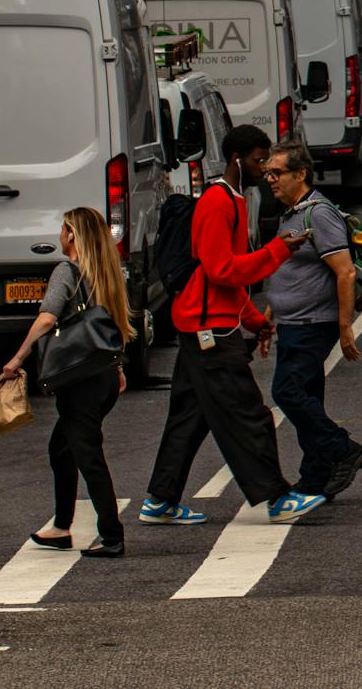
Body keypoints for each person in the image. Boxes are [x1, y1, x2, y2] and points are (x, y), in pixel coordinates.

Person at [141, 125, 326, 527]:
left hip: (205, 323)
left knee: (191, 415)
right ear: (236, 159)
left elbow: (228, 276)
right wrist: (278, 251)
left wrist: (255, 320)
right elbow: (221, 269)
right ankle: (275, 497)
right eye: (260, 161)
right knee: (248, 413)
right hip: (210, 328)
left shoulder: (234, 200)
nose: (266, 171)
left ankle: (161, 499)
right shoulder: (218, 202)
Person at [0, 207, 135, 557]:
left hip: (80, 379)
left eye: (63, 229)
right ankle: (61, 526)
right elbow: (112, 325)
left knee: (88, 455)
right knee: (62, 448)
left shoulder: (66, 271)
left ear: (72, 236)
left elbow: (47, 319)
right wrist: (117, 367)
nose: (59, 235)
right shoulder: (105, 273)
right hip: (102, 376)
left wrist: (17, 359)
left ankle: (111, 535)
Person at [263, 144, 362, 499]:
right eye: (267, 173)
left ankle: (343, 450)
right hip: (294, 322)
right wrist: (271, 310)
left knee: (287, 392)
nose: (270, 179)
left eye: (277, 173)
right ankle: (316, 477)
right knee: (306, 396)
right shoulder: (291, 213)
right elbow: (289, 267)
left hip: (312, 324)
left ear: (301, 174)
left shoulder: (318, 214)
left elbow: (345, 272)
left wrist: (344, 327)